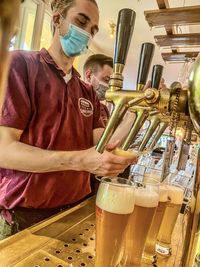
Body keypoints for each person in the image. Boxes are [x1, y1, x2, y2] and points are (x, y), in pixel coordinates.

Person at [0, 0, 137, 240]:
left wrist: (134, 113)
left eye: (93, 30)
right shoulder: (20, 65)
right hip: (25, 219)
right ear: (56, 20)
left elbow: (102, 146)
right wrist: (80, 160)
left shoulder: (86, 92)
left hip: (75, 210)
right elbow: (4, 149)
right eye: (81, 21)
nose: (86, 33)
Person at [83, 54, 113, 126]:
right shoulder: (73, 102)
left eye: (111, 83)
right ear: (89, 76)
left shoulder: (104, 109)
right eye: (106, 80)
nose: (109, 87)